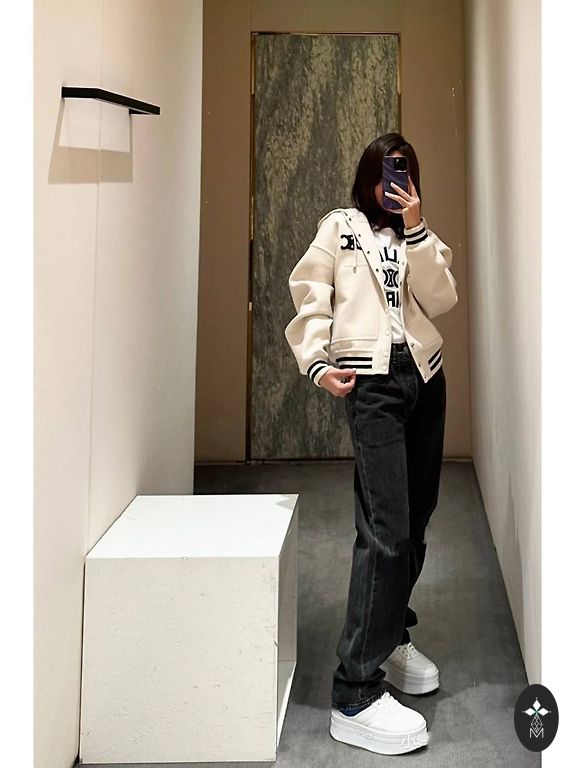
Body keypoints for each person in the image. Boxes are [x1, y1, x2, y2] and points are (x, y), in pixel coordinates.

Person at [284, 132, 458, 756]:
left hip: (425, 379)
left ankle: (391, 634)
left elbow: (442, 299)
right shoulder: (341, 227)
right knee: (386, 528)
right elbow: (310, 294)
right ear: (368, 175)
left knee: (417, 518)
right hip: (373, 384)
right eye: (387, 172)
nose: (395, 183)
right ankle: (354, 690)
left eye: (405, 172)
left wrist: (417, 228)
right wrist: (316, 361)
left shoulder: (416, 235)